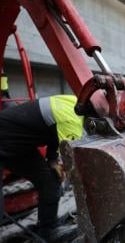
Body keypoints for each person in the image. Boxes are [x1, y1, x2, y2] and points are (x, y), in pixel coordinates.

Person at [0, 95, 83, 242]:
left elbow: (54, 131)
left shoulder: (73, 102)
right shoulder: (73, 122)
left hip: (20, 145)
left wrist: (52, 160)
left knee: (49, 181)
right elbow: (73, 168)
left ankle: (48, 230)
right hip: (5, 138)